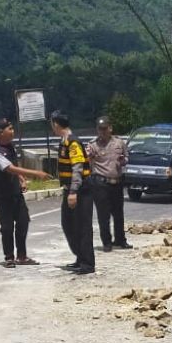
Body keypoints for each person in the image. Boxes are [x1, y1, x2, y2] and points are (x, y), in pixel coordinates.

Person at [0, 118, 50, 267]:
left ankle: (22, 256)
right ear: (1, 132)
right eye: (9, 128)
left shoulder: (10, 147)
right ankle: (9, 257)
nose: (12, 131)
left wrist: (22, 179)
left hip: (15, 193)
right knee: (7, 226)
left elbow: (15, 165)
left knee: (23, 221)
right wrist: (35, 173)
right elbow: (9, 168)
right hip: (2, 196)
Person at [51, 110, 95, 274]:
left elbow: (77, 168)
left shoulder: (73, 142)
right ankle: (80, 257)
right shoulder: (65, 141)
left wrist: (73, 191)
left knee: (82, 226)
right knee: (69, 225)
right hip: (70, 189)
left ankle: (87, 263)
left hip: (80, 190)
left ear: (56, 124)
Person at [85, 116, 131, 251]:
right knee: (103, 215)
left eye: (105, 129)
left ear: (110, 128)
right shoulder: (93, 145)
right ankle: (107, 242)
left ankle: (120, 240)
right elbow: (86, 160)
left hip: (116, 182)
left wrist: (123, 160)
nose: (102, 132)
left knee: (118, 213)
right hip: (101, 183)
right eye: (100, 129)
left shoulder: (119, 143)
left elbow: (126, 157)